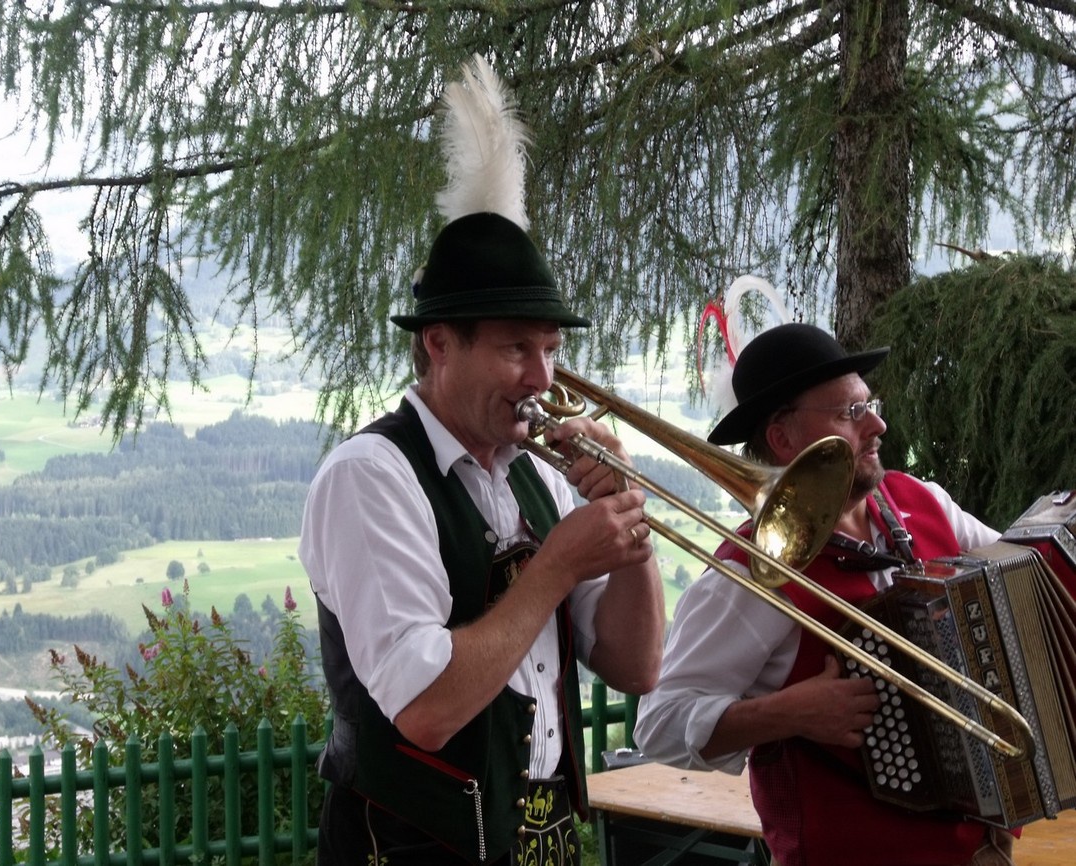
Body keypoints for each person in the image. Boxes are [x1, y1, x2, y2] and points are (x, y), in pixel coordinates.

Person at [298, 213, 665, 861]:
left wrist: (627, 514)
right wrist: (556, 565)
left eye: (550, 349)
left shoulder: (540, 476)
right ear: (440, 345)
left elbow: (636, 666)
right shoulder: (370, 475)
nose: (543, 379)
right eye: (516, 349)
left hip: (545, 839)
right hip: (410, 848)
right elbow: (426, 710)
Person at [634, 322, 1015, 866]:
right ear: (784, 439)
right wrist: (787, 714)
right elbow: (660, 724)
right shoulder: (751, 574)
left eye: (869, 405)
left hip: (983, 851)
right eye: (850, 413)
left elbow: (1021, 576)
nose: (877, 425)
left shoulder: (922, 500)